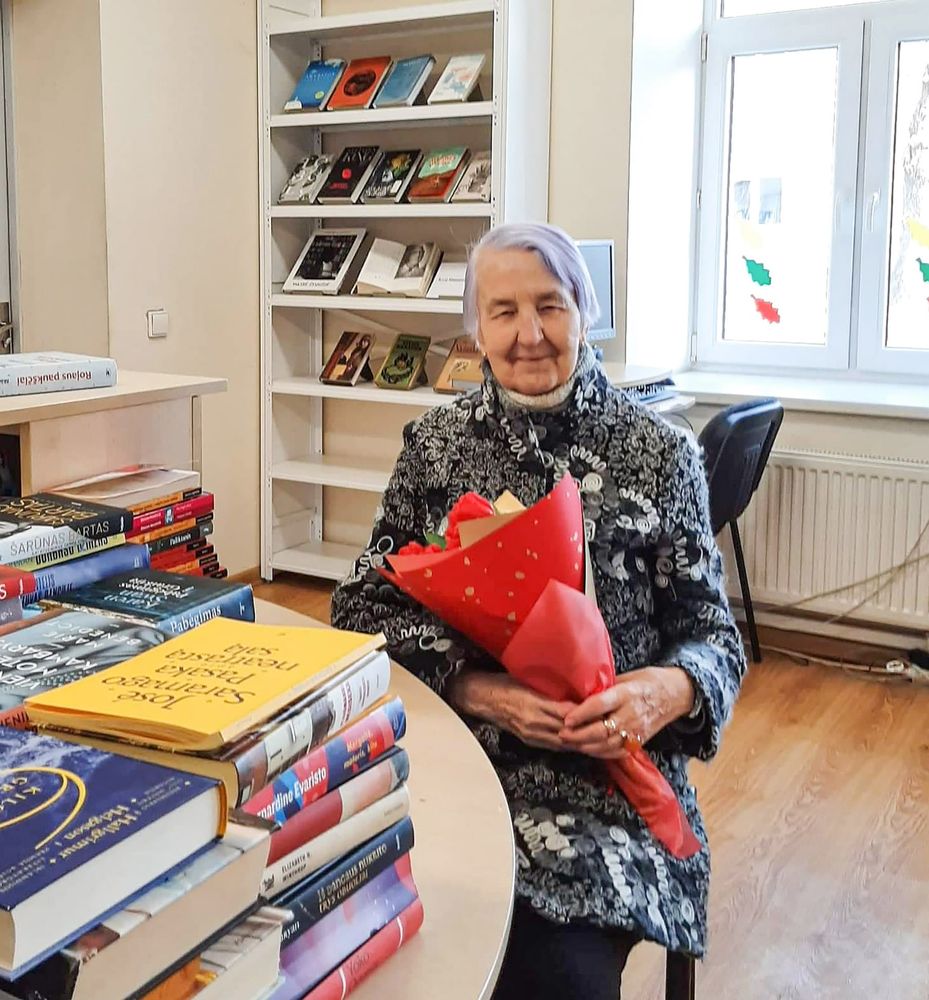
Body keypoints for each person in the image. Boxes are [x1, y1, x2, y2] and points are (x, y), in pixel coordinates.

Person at [330, 222, 747, 1000]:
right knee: (346, 930)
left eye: (550, 306)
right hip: (456, 756)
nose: (529, 334)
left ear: (584, 312)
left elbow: (712, 638)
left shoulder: (660, 452)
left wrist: (662, 692)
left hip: (606, 783)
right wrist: (481, 692)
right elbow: (361, 604)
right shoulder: (435, 447)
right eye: (503, 311)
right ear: (475, 330)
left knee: (546, 974)